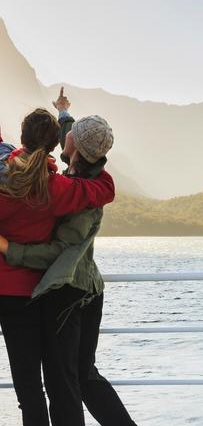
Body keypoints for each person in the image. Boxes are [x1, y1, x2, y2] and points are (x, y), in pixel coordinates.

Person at [0, 89, 137, 426]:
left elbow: (58, 251)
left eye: (72, 135)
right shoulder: (72, 181)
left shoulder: (62, 187)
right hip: (58, 291)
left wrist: (9, 249)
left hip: (68, 292)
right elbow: (83, 149)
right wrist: (63, 114)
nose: (67, 134)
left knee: (64, 382)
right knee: (77, 377)